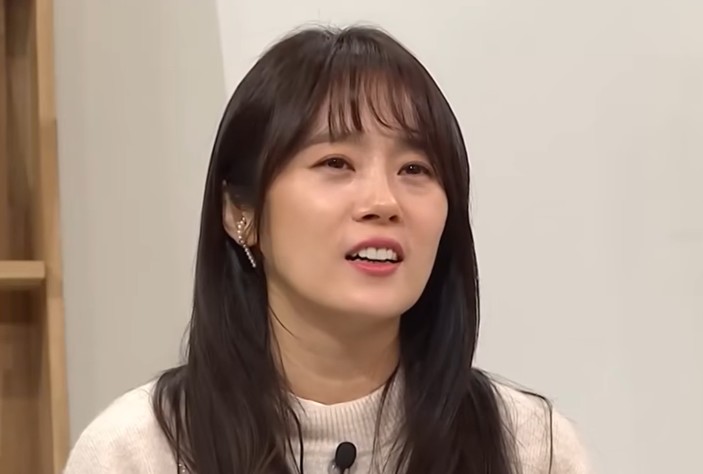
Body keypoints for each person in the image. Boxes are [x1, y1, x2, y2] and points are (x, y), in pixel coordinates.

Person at [64, 25, 591, 473]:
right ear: (241, 212)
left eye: (415, 169)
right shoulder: (137, 453)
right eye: (336, 163)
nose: (383, 202)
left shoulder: (531, 450)